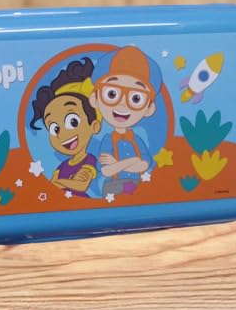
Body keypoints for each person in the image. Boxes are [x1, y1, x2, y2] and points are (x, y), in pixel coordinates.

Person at [89, 46, 162, 196]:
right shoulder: (108, 140)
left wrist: (117, 164)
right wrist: (132, 161)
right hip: (112, 187)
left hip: (138, 186)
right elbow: (106, 171)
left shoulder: (136, 139)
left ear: (149, 108)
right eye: (112, 94)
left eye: (136, 98)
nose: (122, 104)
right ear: (95, 98)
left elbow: (144, 165)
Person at [29, 58, 102, 197]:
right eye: (54, 128)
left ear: (94, 126)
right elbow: (52, 185)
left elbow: (81, 185)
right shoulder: (62, 166)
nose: (62, 134)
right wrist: (66, 182)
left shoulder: (89, 160)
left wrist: (60, 182)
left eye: (73, 122)